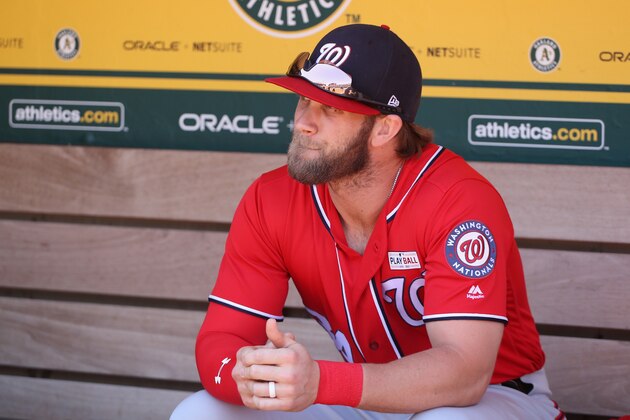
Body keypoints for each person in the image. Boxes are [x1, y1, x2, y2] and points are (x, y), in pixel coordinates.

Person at [171, 24, 565, 419]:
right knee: (202, 413)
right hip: (368, 398)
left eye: (331, 109)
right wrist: (249, 375)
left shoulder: (457, 199)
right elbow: (222, 338)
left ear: (385, 128)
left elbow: (465, 374)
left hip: (495, 399)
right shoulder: (270, 199)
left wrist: (322, 383)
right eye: (304, 101)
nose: (304, 122)